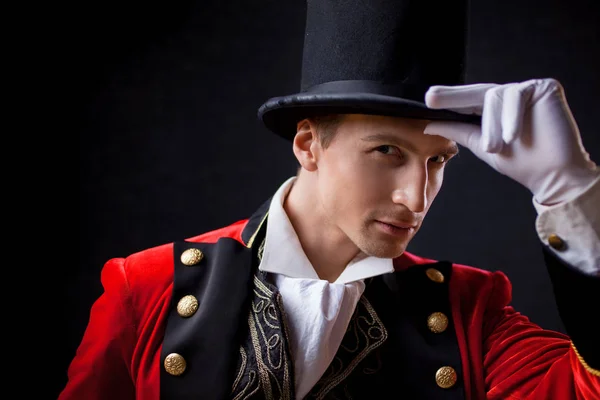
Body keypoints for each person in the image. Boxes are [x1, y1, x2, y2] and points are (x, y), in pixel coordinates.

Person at [63, 0, 600, 398]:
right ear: (308, 144)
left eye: (438, 160)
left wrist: (574, 194)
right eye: (387, 150)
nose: (416, 196)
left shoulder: (471, 311)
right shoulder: (147, 286)